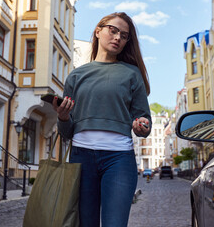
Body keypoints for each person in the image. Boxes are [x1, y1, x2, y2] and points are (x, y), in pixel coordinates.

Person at [53, 12, 151, 227]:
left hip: (119, 160)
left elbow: (144, 119)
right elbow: (67, 132)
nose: (117, 38)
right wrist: (63, 116)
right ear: (98, 31)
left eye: (124, 36)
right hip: (81, 159)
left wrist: (142, 126)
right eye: (113, 30)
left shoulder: (131, 74)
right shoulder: (76, 76)